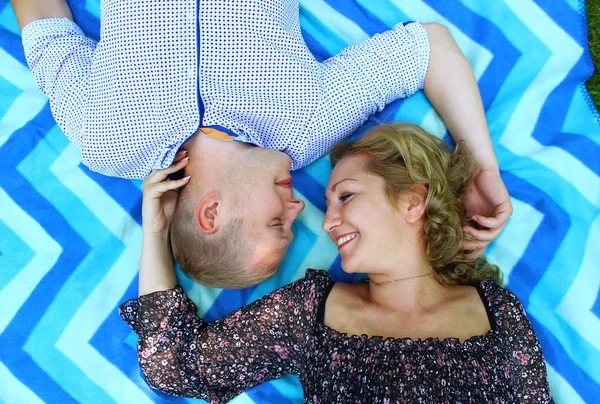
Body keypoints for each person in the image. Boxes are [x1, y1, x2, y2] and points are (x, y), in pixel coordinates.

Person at [12, 0, 512, 288]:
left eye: (277, 221)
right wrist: (481, 170)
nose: (299, 204)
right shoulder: (303, 129)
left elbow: (43, 24)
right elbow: (429, 48)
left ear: (210, 214)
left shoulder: (106, 142)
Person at [120, 123, 552, 403]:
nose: (327, 223)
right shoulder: (308, 312)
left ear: (413, 201)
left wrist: (483, 169)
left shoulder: (499, 312)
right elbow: (174, 365)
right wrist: (156, 230)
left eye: (345, 196)